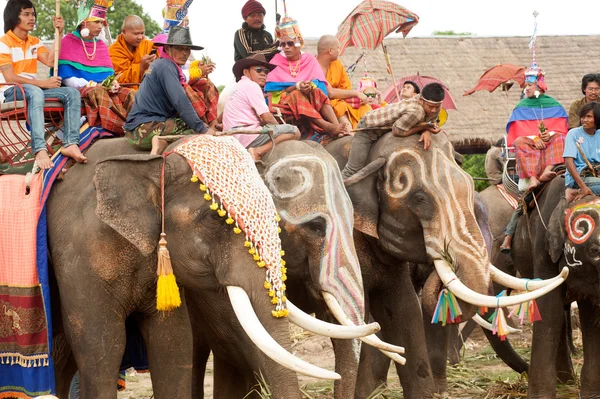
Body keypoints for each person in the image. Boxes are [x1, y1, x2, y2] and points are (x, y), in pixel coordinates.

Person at [0, 0, 86, 169]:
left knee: (72, 93)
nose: (32, 18)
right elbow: (10, 77)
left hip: (33, 91)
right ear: (13, 17)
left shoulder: (35, 41)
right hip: (12, 90)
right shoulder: (4, 42)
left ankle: (70, 143)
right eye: (26, 14)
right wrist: (43, 83)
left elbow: (50, 61)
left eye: (33, 14)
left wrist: (59, 33)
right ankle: (39, 149)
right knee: (36, 91)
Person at [124, 26, 215, 155]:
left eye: (187, 49)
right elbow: (179, 100)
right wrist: (201, 128)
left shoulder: (161, 64)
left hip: (142, 127)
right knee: (196, 131)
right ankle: (160, 141)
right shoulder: (166, 66)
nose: (184, 53)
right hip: (145, 129)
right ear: (167, 48)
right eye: (179, 48)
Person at [264, 14, 347, 143]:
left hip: (308, 97)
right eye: (283, 44)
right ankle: (328, 127)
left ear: (298, 43)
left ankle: (336, 125)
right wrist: (297, 86)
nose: (286, 47)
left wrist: (309, 86)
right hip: (284, 99)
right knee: (297, 94)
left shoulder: (309, 59)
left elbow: (318, 83)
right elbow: (273, 91)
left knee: (317, 91)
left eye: (290, 43)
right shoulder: (276, 60)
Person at [56, 0, 135, 135]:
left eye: (102, 22)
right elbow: (66, 79)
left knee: (129, 93)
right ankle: (116, 127)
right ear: (84, 22)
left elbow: (109, 76)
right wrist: (92, 84)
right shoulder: (67, 41)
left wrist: (113, 83)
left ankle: (137, 125)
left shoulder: (101, 45)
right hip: (79, 91)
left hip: (101, 89)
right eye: (97, 22)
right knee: (98, 92)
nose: (101, 26)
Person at [341, 83, 445, 179]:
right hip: (368, 128)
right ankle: (332, 194)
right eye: (431, 107)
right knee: (353, 170)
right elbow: (397, 131)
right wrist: (424, 127)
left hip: (385, 131)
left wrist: (427, 131)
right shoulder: (416, 112)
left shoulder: (433, 106)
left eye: (437, 107)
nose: (434, 110)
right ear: (421, 100)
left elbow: (431, 121)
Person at [223, 54, 300, 160]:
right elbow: (266, 117)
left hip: (234, 136)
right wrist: (279, 128)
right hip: (246, 136)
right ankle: (258, 152)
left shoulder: (238, 87)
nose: (263, 74)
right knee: (293, 131)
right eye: (258, 70)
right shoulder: (252, 85)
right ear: (246, 72)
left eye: (266, 71)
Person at [505, 64, 568, 191]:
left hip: (548, 143)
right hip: (530, 143)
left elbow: (562, 129)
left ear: (539, 85)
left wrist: (549, 134)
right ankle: (532, 177)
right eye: (525, 86)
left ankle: (548, 170)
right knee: (519, 142)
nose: (526, 89)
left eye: (529, 85)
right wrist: (534, 138)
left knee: (560, 138)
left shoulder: (554, 104)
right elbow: (517, 133)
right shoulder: (521, 106)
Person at [316, 34, 371, 130]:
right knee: (338, 106)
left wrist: (356, 98)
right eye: (338, 48)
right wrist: (356, 93)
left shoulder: (337, 64)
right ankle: (347, 131)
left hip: (341, 100)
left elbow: (345, 88)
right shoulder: (312, 65)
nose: (339, 51)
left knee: (365, 108)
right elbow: (330, 93)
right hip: (325, 104)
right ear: (330, 51)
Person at [564, 102, 600, 202]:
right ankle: (576, 190)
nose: (584, 120)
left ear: (596, 119)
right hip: (580, 177)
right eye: (583, 117)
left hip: (595, 176)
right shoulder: (573, 133)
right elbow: (568, 161)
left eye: (589, 117)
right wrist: (583, 187)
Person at [108, 15, 156, 87]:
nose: (140, 37)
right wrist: (140, 67)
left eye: (142, 33)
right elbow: (118, 79)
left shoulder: (147, 45)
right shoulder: (114, 51)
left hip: (147, 88)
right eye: (136, 34)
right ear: (124, 31)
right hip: (126, 92)